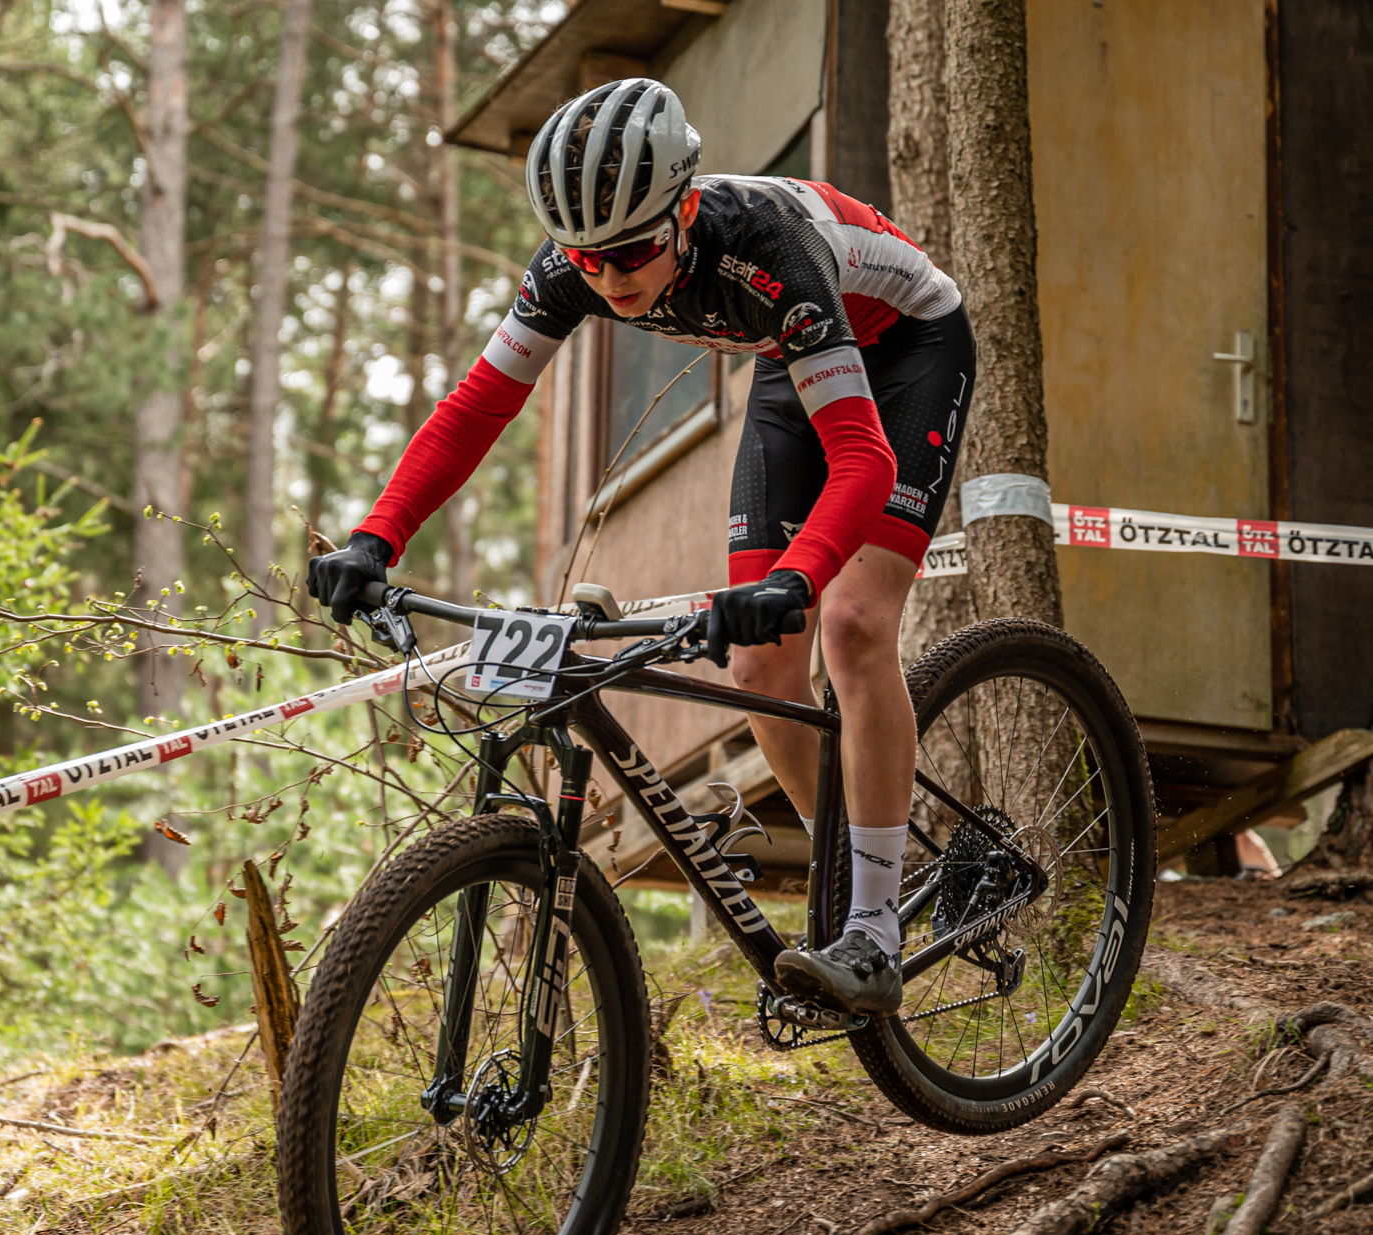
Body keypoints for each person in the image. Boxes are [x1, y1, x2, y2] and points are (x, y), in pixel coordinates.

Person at [308, 79, 975, 1018]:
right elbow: (478, 407)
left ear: (685, 209)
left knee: (853, 623)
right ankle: (857, 875)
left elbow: (864, 459)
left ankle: (874, 932)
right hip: (791, 362)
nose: (612, 280)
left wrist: (800, 578)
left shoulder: (769, 251)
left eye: (631, 252)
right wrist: (375, 537)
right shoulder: (571, 266)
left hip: (906, 349)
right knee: (759, 668)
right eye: (589, 259)